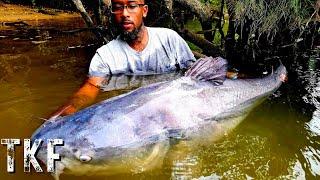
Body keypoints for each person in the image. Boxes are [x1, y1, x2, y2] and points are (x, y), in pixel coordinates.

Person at [49, 0, 196, 118]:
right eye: (118, 7)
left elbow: (195, 76)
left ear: (144, 11)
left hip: (173, 110)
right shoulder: (105, 55)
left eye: (132, 6)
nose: (125, 13)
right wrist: (63, 114)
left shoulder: (169, 39)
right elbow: (91, 88)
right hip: (131, 116)